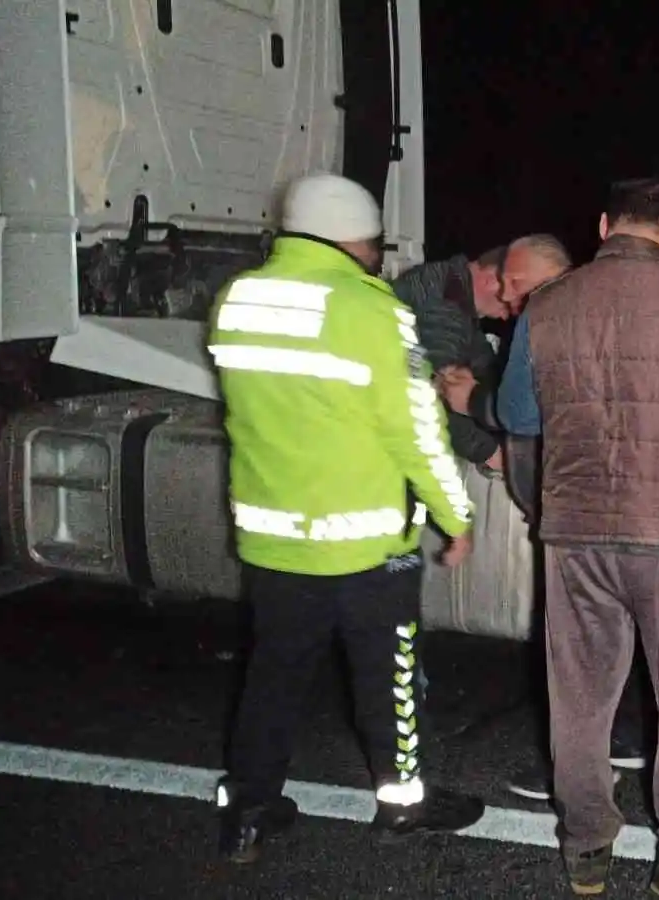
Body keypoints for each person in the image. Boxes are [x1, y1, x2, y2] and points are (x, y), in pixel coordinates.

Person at [208, 173, 486, 863]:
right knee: (387, 676)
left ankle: (248, 811)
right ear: (360, 240)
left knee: (273, 674)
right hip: (366, 544)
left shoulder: (236, 300)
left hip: (273, 538)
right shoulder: (373, 311)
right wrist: (456, 513)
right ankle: (402, 804)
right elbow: (415, 429)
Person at [498, 177, 659, 897]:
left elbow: (518, 416)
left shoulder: (548, 305)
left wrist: (539, 499)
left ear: (605, 224)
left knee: (579, 696)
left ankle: (585, 849)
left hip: (576, 530)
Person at [492, 235, 654, 804]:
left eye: (515, 284)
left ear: (546, 279)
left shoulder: (546, 320)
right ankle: (629, 738)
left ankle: (580, 788)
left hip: (572, 511)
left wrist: (469, 403)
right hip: (641, 507)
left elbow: (516, 413)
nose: (503, 294)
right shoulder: (628, 313)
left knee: (574, 652)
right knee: (630, 634)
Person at [392, 246, 508, 470]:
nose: (505, 316)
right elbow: (440, 391)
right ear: (492, 281)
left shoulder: (454, 291)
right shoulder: (443, 300)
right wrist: (495, 456)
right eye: (509, 302)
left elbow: (484, 364)